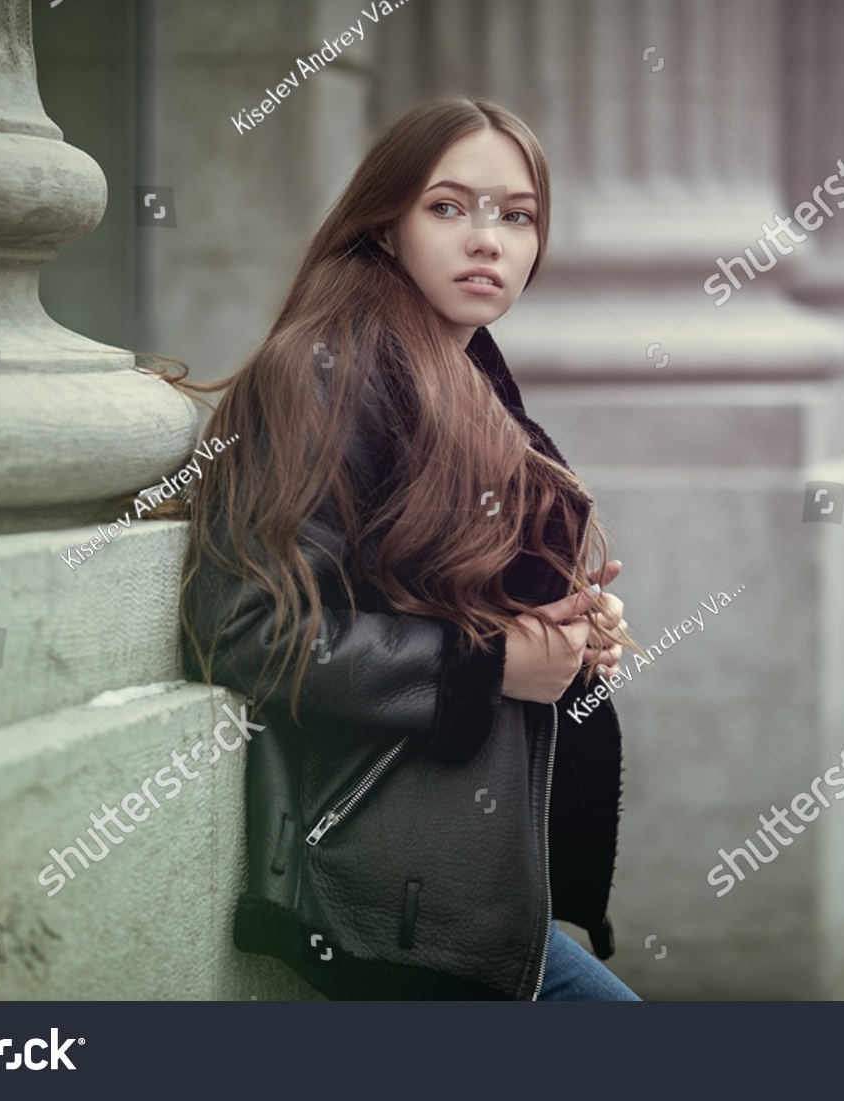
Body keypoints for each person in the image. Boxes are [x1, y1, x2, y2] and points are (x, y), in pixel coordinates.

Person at [176, 95, 648, 1000]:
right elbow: (243, 625)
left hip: (480, 878)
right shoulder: (323, 373)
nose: (488, 239)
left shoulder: (465, 378)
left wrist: (570, 629)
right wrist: (490, 664)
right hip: (393, 889)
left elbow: (432, 589)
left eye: (517, 216)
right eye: (448, 207)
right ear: (384, 227)